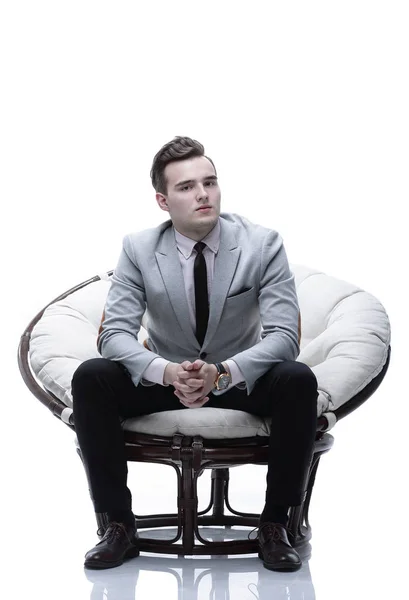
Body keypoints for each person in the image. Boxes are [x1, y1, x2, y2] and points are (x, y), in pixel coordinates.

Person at [71, 136, 318, 572]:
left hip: (239, 378)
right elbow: (113, 334)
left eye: (210, 182)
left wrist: (223, 372)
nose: (203, 194)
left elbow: (283, 336)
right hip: (169, 377)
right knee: (92, 376)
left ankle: (275, 524)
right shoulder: (139, 248)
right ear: (163, 201)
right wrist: (165, 372)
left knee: (297, 378)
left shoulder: (263, 244)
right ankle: (119, 526)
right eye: (186, 187)